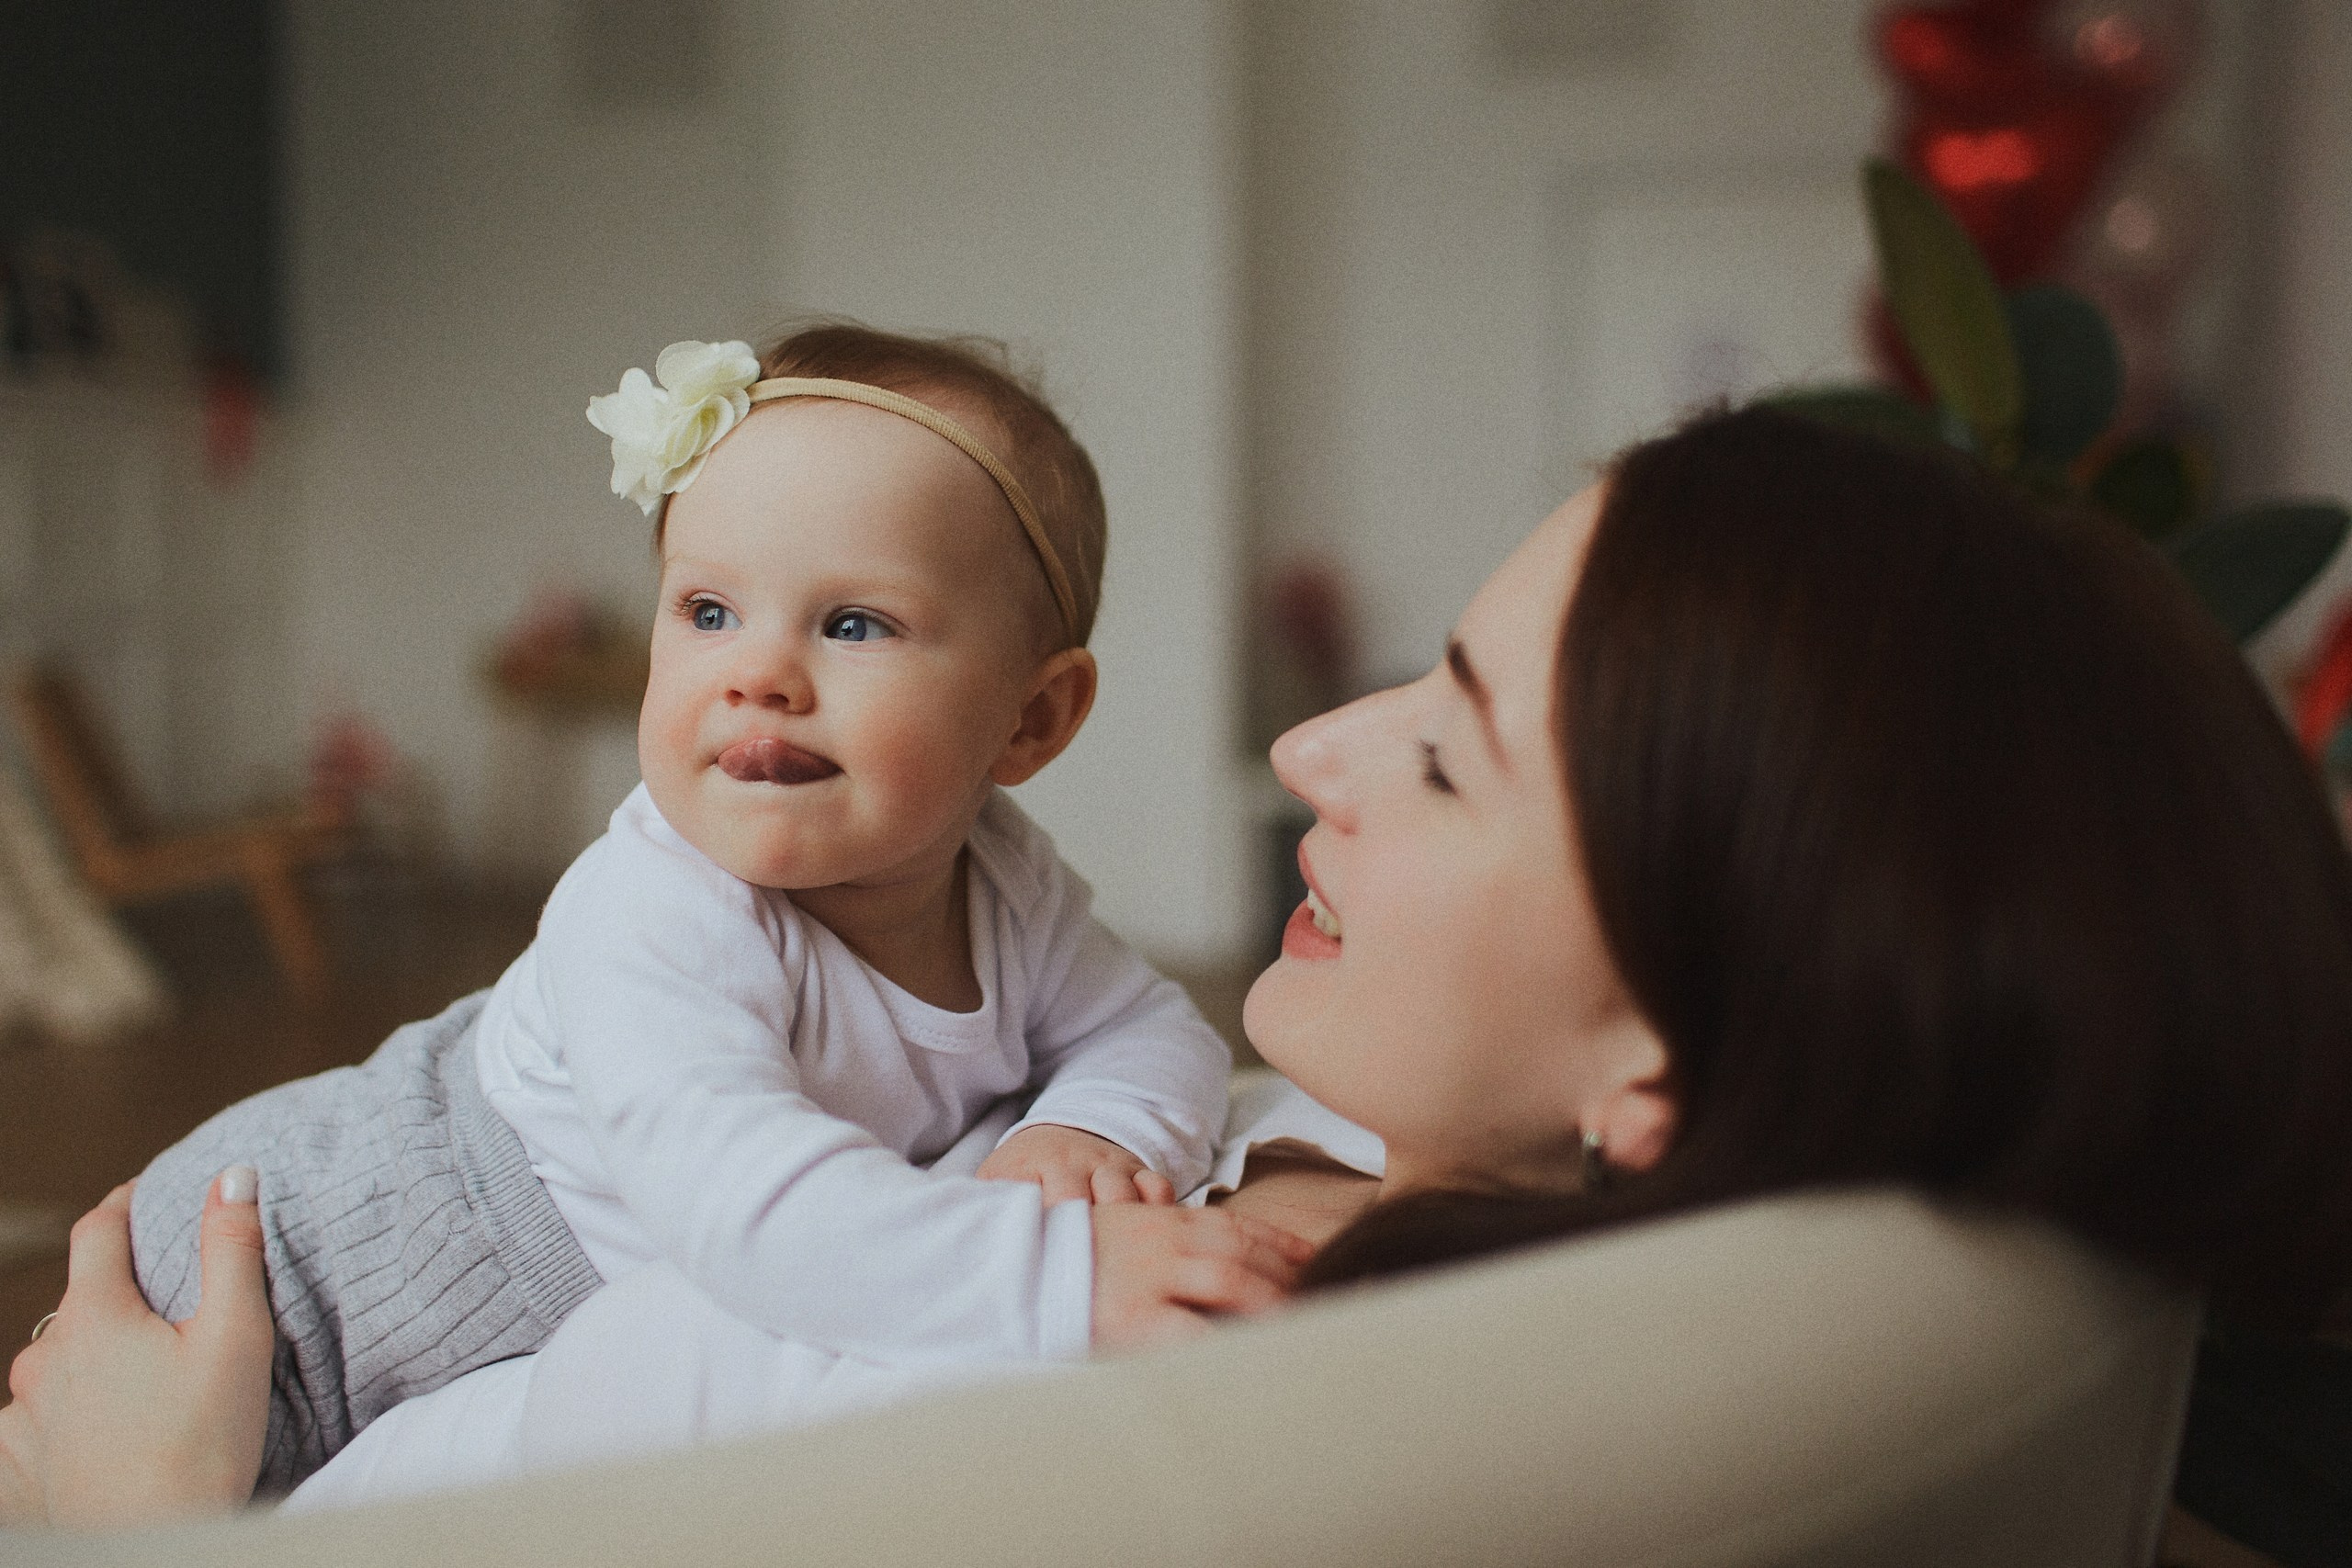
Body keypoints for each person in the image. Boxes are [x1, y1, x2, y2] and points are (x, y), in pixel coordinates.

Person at [8, 403, 2352, 1529]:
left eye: (1444, 752)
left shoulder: (1180, 1383)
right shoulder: (1320, 1193)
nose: (1309, 742)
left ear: (1667, 1045)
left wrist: (134, 1527)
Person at [114, 324, 1266, 1495]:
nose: (755, 672)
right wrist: (1058, 1277)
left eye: (853, 623)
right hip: (291, 1286)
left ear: (1032, 720)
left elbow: (1156, 1034)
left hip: (502, 1357)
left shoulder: (1009, 889)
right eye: (708, 611)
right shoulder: (652, 905)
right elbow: (757, 1215)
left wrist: (1096, 1132)